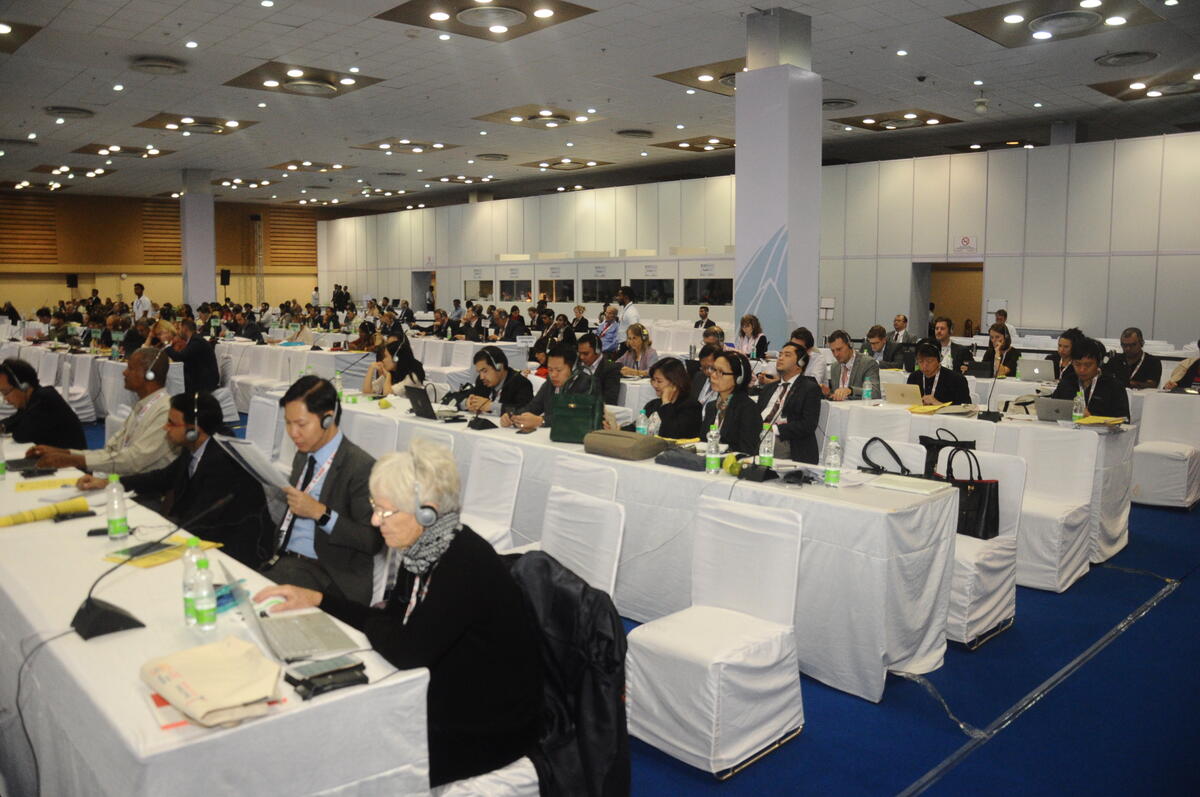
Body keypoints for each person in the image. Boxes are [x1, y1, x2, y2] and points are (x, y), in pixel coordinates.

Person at [254, 440, 542, 787]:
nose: (375, 520)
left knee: (348, 758)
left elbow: (407, 650)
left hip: (488, 724)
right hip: (446, 692)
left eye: (386, 511)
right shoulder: (421, 548)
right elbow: (389, 622)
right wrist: (318, 599)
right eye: (375, 507)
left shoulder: (463, 564)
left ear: (427, 512)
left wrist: (378, 624)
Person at [75, 392, 273, 567]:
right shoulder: (197, 445)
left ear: (194, 430)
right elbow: (162, 478)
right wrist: (110, 482)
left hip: (234, 550)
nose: (165, 427)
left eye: (172, 423)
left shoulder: (223, 463)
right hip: (205, 535)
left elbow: (200, 519)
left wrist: (149, 535)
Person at [262, 376, 379, 605]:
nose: (293, 433)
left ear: (328, 419)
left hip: (329, 573)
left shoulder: (360, 466)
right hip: (284, 559)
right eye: (288, 423)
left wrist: (321, 514)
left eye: (301, 424)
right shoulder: (302, 455)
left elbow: (371, 540)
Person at [27, 348, 176, 473]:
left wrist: (73, 460)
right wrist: (62, 452)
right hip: (121, 480)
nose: (124, 373)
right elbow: (111, 451)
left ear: (149, 374)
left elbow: (134, 460)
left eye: (130, 368)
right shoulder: (143, 405)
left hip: (144, 491)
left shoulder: (165, 411)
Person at [502, 344, 594, 431]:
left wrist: (541, 421)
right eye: (550, 370)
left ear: (574, 369)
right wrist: (513, 416)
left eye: (558, 370)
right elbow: (533, 407)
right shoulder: (550, 383)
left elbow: (576, 417)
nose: (553, 375)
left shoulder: (588, 384)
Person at [756, 342, 821, 463]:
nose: (780, 358)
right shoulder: (768, 388)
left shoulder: (809, 388)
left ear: (800, 363)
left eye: (787, 355)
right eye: (780, 354)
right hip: (760, 434)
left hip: (787, 440)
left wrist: (774, 429)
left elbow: (808, 424)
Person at [0, 359, 86, 449]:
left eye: (5, 392)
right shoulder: (36, 397)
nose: (5, 399)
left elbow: (21, 435)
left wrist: (8, 427)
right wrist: (3, 426)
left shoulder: (45, 401)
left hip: (69, 457)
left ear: (24, 386)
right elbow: (16, 419)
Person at [1050, 338, 1130, 420]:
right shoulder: (1066, 382)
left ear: (1099, 363)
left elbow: (1124, 420)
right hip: (1068, 427)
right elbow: (1052, 410)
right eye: (1077, 364)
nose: (1082, 369)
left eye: (1088, 365)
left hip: (1100, 427)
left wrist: (1093, 419)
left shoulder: (1114, 386)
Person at [702, 351, 761, 455]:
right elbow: (703, 442)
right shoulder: (711, 407)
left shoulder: (748, 409)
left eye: (720, 372)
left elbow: (747, 451)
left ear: (739, 378)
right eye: (713, 369)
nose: (713, 375)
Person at [460, 346, 534, 417]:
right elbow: (455, 397)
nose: (481, 377)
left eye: (485, 371)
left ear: (499, 367)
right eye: (479, 372)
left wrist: (491, 406)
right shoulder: (481, 381)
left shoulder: (520, 383)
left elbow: (526, 411)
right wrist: (467, 403)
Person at [641, 357, 702, 439]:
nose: (654, 385)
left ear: (675, 382)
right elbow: (638, 427)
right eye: (653, 380)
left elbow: (673, 434)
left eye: (659, 381)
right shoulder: (653, 404)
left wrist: (666, 403)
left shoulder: (691, 407)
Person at [163, 319, 220, 394]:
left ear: (185, 329)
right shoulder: (195, 340)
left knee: (175, 379)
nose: (178, 332)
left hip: (206, 381)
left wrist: (167, 345)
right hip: (201, 376)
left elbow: (179, 357)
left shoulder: (197, 342)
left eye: (179, 328)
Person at [907, 342, 972, 405]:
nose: (924, 365)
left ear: (939, 360)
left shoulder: (957, 380)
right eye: (920, 361)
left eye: (929, 361)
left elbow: (966, 407)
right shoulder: (913, 377)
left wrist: (939, 404)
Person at [824, 329, 880, 401]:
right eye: (833, 351)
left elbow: (875, 393)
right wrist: (828, 393)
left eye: (839, 349)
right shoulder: (834, 367)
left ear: (850, 345)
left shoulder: (868, 363)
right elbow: (835, 394)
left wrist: (851, 391)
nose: (836, 354)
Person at [576, 333, 621, 405]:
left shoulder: (610, 369)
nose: (581, 357)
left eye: (586, 354)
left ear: (598, 351)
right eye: (579, 353)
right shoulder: (577, 365)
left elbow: (609, 400)